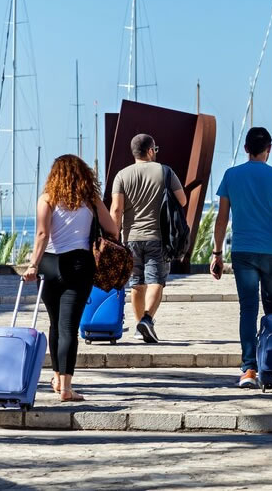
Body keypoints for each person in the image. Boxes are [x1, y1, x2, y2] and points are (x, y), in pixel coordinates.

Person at [23, 155, 119, 402]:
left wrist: (33, 265)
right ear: (83, 175)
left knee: (55, 324)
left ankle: (56, 378)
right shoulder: (91, 200)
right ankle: (66, 388)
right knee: (69, 328)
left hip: (50, 265)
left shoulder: (46, 199)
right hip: (79, 264)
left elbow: (42, 234)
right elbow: (113, 230)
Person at [210, 127, 272, 389]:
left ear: (247, 149)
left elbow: (222, 218)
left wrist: (217, 253)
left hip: (243, 252)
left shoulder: (231, 175)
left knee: (248, 310)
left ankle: (248, 369)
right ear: (268, 149)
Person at [110, 133, 186, 344]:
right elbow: (182, 200)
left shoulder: (122, 176)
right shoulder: (165, 171)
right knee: (156, 281)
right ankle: (147, 319)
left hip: (130, 237)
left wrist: (114, 238)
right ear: (151, 150)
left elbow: (116, 210)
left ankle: (139, 326)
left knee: (136, 283)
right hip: (158, 236)